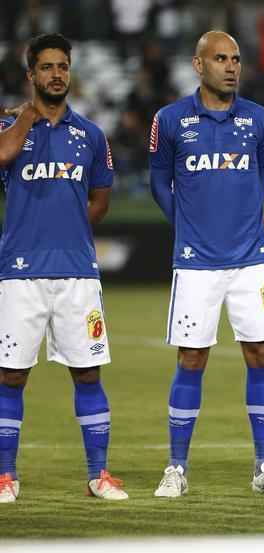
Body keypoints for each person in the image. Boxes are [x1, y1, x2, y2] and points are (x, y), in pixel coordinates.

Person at [149, 30, 264, 498]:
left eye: (236, 58)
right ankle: (176, 467)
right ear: (198, 64)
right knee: (191, 358)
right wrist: (189, 227)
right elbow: (158, 183)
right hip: (195, 263)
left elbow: (263, 177)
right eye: (220, 59)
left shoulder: (260, 120)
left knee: (262, 355)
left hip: (251, 259)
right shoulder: (170, 120)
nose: (231, 66)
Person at [0, 33, 127, 503]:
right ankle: (4, 476)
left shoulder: (91, 136)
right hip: (20, 273)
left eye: (63, 67)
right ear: (31, 74)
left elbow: (101, 200)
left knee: (88, 372)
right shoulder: (9, 126)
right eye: (47, 67)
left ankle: (100, 475)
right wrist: (28, 117)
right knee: (10, 375)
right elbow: (2, 156)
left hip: (77, 273)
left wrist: (68, 229)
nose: (57, 74)